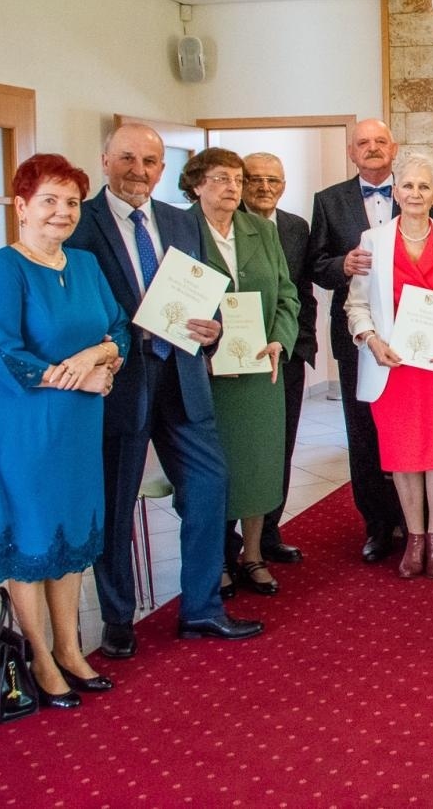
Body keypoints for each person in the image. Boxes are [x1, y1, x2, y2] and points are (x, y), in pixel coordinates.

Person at [67, 124, 262, 650]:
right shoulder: (79, 224)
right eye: (128, 158)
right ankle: (118, 620)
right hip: (118, 383)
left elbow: (204, 294)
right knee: (116, 506)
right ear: (105, 159)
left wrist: (215, 327)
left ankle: (200, 607)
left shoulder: (181, 221)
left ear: (162, 169)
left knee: (208, 487)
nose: (139, 170)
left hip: (182, 375)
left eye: (150, 161)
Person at [0, 154, 129, 707]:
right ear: (21, 207)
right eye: (49, 201)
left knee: (71, 536)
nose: (62, 212)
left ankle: (70, 647)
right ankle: (39, 655)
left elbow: (118, 331)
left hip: (79, 427)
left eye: (71, 202)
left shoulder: (84, 264)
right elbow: (5, 355)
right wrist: (79, 381)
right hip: (25, 424)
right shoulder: (1, 268)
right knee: (34, 538)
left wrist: (99, 357)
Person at [346, 154, 433, 579]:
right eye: (408, 186)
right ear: (395, 192)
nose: (415, 193)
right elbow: (356, 304)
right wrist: (371, 340)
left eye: (424, 187)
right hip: (393, 367)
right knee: (402, 457)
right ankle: (413, 538)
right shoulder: (371, 240)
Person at [182, 148, 299, 598]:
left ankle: (252, 555)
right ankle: (216, 559)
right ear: (196, 183)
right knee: (215, 471)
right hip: (207, 374)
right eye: (221, 179)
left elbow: (288, 294)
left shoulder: (261, 231)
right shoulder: (181, 229)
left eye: (237, 179)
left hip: (259, 371)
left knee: (259, 465)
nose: (232, 187)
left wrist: (279, 340)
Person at [310, 119, 407, 562]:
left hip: (410, 329)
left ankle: (413, 517)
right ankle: (377, 524)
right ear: (352, 152)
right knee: (363, 426)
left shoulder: (416, 192)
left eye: (379, 142)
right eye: (363, 143)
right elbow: (316, 265)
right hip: (353, 332)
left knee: (403, 423)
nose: (372, 148)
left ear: (394, 148)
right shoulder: (329, 201)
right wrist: (341, 266)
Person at [241, 151, 318, 564]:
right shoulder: (221, 224)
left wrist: (300, 343)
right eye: (254, 179)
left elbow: (300, 290)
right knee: (238, 451)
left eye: (273, 180)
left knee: (280, 446)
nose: (264, 187)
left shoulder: (294, 227)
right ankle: (224, 544)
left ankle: (268, 533)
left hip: (285, 352)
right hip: (233, 357)